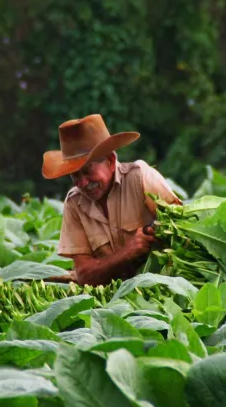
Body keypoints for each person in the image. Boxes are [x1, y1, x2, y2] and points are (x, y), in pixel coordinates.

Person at [42, 114, 182, 285]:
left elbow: (181, 229)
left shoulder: (140, 178)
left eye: (88, 171)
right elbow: (84, 275)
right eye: (75, 176)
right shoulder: (74, 204)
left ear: (110, 160)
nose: (83, 183)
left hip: (165, 287)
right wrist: (127, 252)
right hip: (113, 301)